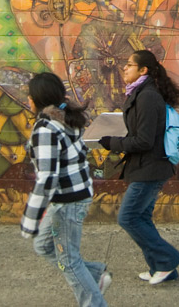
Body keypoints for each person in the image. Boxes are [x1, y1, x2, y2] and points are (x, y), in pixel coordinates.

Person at [20, 72, 111, 307]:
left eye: (29, 96)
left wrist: (30, 219)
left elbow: (47, 177)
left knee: (68, 261)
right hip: (73, 197)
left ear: (37, 99)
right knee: (43, 246)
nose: (27, 100)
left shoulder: (46, 128)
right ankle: (94, 276)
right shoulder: (66, 120)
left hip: (68, 202)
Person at [98, 49, 179, 285]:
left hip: (150, 168)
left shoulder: (147, 96)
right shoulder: (141, 94)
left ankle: (167, 259)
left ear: (143, 70)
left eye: (129, 64)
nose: (124, 68)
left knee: (128, 218)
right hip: (148, 167)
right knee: (142, 218)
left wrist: (112, 143)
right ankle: (162, 268)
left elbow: (144, 140)